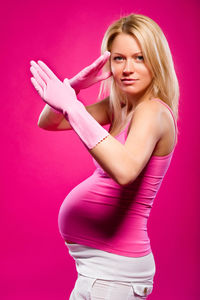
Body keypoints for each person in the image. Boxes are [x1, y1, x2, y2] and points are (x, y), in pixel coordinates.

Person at [30, 13, 179, 300]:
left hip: (116, 273)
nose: (128, 68)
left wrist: (73, 107)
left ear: (156, 61)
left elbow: (124, 171)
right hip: (97, 269)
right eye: (119, 58)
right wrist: (75, 85)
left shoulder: (153, 111)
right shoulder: (119, 106)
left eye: (140, 57)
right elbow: (50, 122)